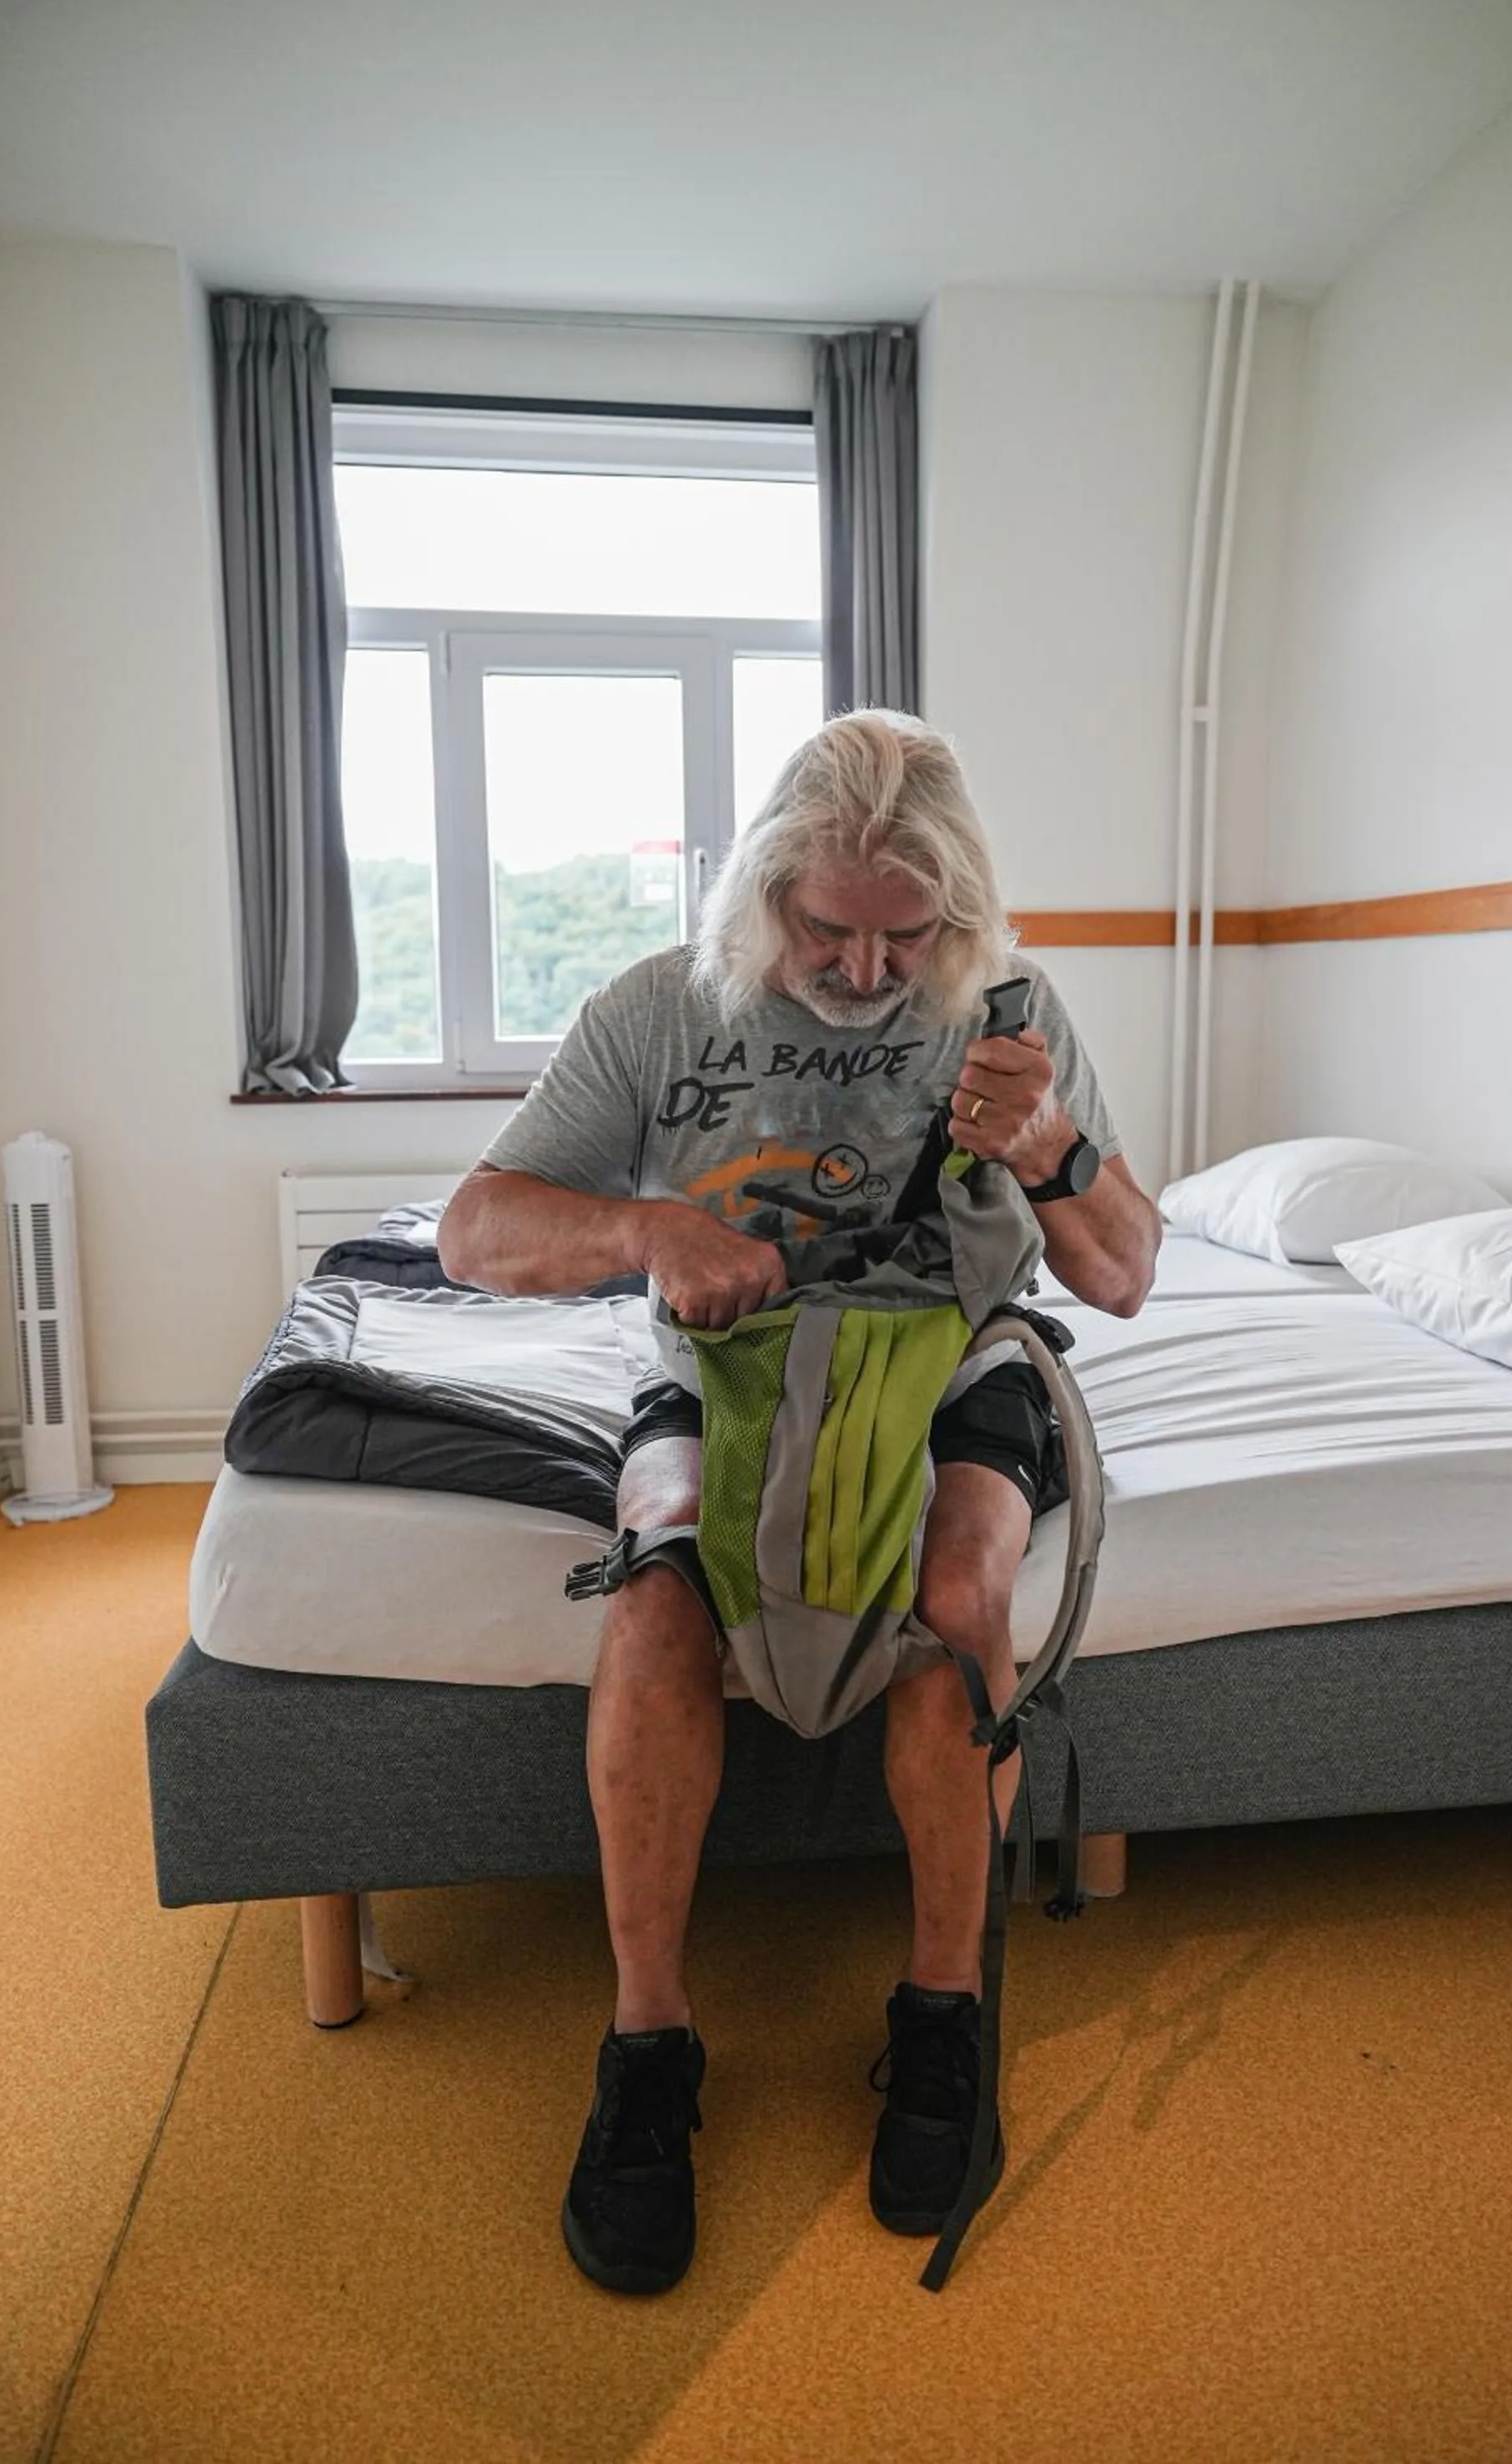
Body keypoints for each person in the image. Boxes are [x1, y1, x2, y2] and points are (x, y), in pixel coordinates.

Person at [439, 709, 1160, 2296]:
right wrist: (646, 1234)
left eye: (906, 935)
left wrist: (1045, 1141)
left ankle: (944, 2017)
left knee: (961, 1594)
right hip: (726, 1366)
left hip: (954, 1359)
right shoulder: (657, 1010)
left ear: (959, 913)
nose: (862, 969)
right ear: (764, 887)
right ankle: (649, 2048)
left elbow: (1122, 1271)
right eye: (826, 929)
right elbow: (475, 1231)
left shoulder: (1013, 1012)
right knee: (655, 1594)